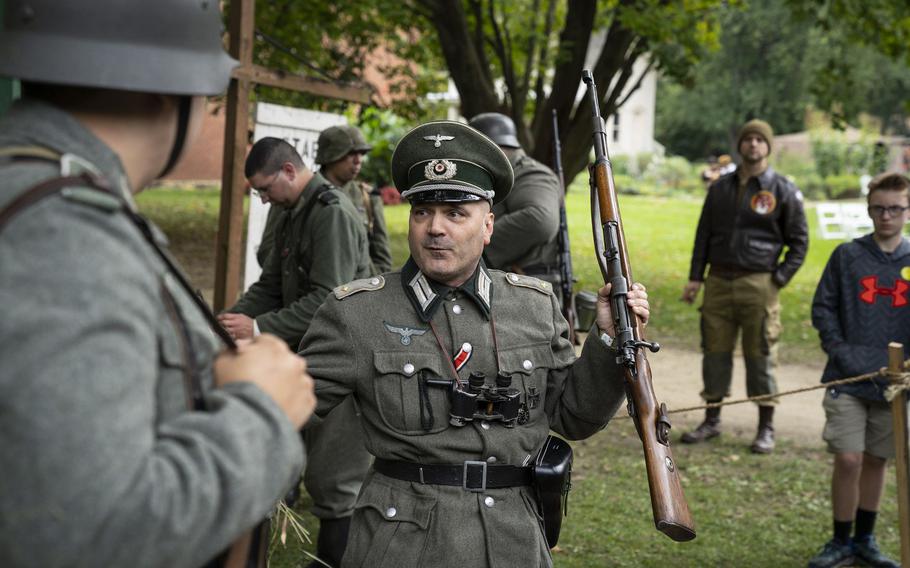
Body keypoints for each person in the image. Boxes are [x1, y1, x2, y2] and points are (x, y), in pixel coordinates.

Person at [0, 1, 315, 566]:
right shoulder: (65, 234)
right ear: (170, 91)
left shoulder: (45, 194)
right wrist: (261, 411)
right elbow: (89, 535)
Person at [299, 120, 651, 567]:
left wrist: (607, 336)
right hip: (403, 546)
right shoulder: (356, 313)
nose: (434, 229)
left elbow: (575, 417)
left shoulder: (534, 305)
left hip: (514, 542)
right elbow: (284, 410)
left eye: (455, 213)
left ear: (488, 227)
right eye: (422, 211)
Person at [217, 138, 374, 567]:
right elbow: (271, 285)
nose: (263, 198)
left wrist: (259, 327)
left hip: (345, 354)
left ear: (289, 171)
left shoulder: (331, 213)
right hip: (310, 349)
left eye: (265, 188)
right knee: (301, 459)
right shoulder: (292, 211)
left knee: (335, 474)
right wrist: (229, 320)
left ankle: (335, 560)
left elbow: (330, 298)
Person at [680, 119, 809, 454]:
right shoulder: (720, 188)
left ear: (768, 146)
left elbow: (799, 242)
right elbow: (703, 235)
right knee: (715, 351)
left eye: (759, 140)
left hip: (759, 282)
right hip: (718, 281)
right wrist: (696, 277)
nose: (753, 144)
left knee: (761, 353)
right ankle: (711, 419)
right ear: (740, 145)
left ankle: (766, 427)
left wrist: (777, 279)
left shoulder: (781, 189)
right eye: (748, 139)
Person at [806, 173, 910, 568]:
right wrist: (840, 350)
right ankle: (840, 540)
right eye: (879, 208)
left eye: (895, 208)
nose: (886, 216)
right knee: (848, 458)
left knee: (876, 460)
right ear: (868, 209)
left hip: (894, 384)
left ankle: (866, 540)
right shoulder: (847, 255)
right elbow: (823, 308)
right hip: (848, 377)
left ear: (907, 210)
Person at [467, 112, 563, 294]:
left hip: (528, 289)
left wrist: (473, 245)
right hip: (510, 285)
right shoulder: (498, 174)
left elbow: (540, 220)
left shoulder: (529, 173)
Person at [316, 124, 393, 274]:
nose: (358, 160)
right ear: (330, 156)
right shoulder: (303, 195)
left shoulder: (367, 197)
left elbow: (382, 261)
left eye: (361, 153)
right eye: (351, 153)